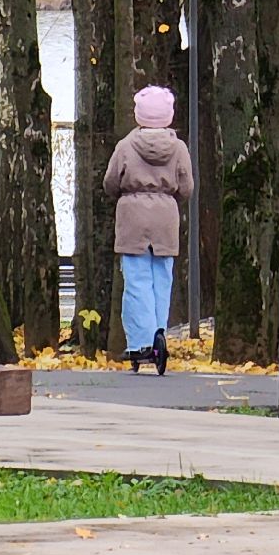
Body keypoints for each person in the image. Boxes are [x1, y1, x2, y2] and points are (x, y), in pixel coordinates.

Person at [103, 85, 193, 371]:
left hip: (132, 216)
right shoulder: (179, 148)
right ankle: (158, 333)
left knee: (136, 280)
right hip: (166, 216)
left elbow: (110, 182)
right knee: (161, 280)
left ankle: (140, 342)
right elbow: (187, 187)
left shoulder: (126, 146)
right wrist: (169, 197)